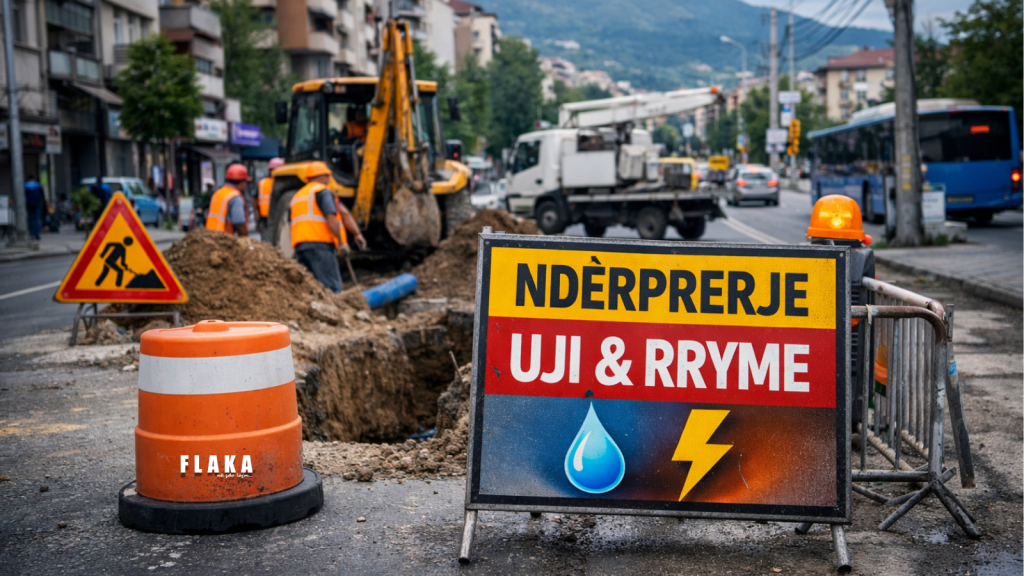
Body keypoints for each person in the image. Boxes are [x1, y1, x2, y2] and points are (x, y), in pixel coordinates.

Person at [290, 162, 366, 293]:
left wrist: (356, 233)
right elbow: (332, 217)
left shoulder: (297, 196)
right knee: (332, 289)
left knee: (309, 290)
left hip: (300, 247)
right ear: (325, 176)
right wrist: (343, 242)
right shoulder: (322, 192)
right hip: (320, 245)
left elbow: (290, 223)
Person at [205, 164, 251, 236]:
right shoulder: (236, 198)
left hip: (211, 239)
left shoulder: (218, 193)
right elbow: (239, 224)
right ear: (242, 182)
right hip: (225, 241)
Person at [257, 157, 284, 231]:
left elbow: (255, 201)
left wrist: (258, 219)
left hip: (266, 217)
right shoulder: (282, 184)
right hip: (274, 217)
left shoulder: (262, 182)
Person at [24, 175, 43, 240]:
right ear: (34, 178)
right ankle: (37, 234)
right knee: (37, 219)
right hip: (37, 204)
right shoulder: (38, 185)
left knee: (30, 219)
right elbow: (42, 195)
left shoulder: (25, 185)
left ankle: (31, 234)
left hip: (29, 205)